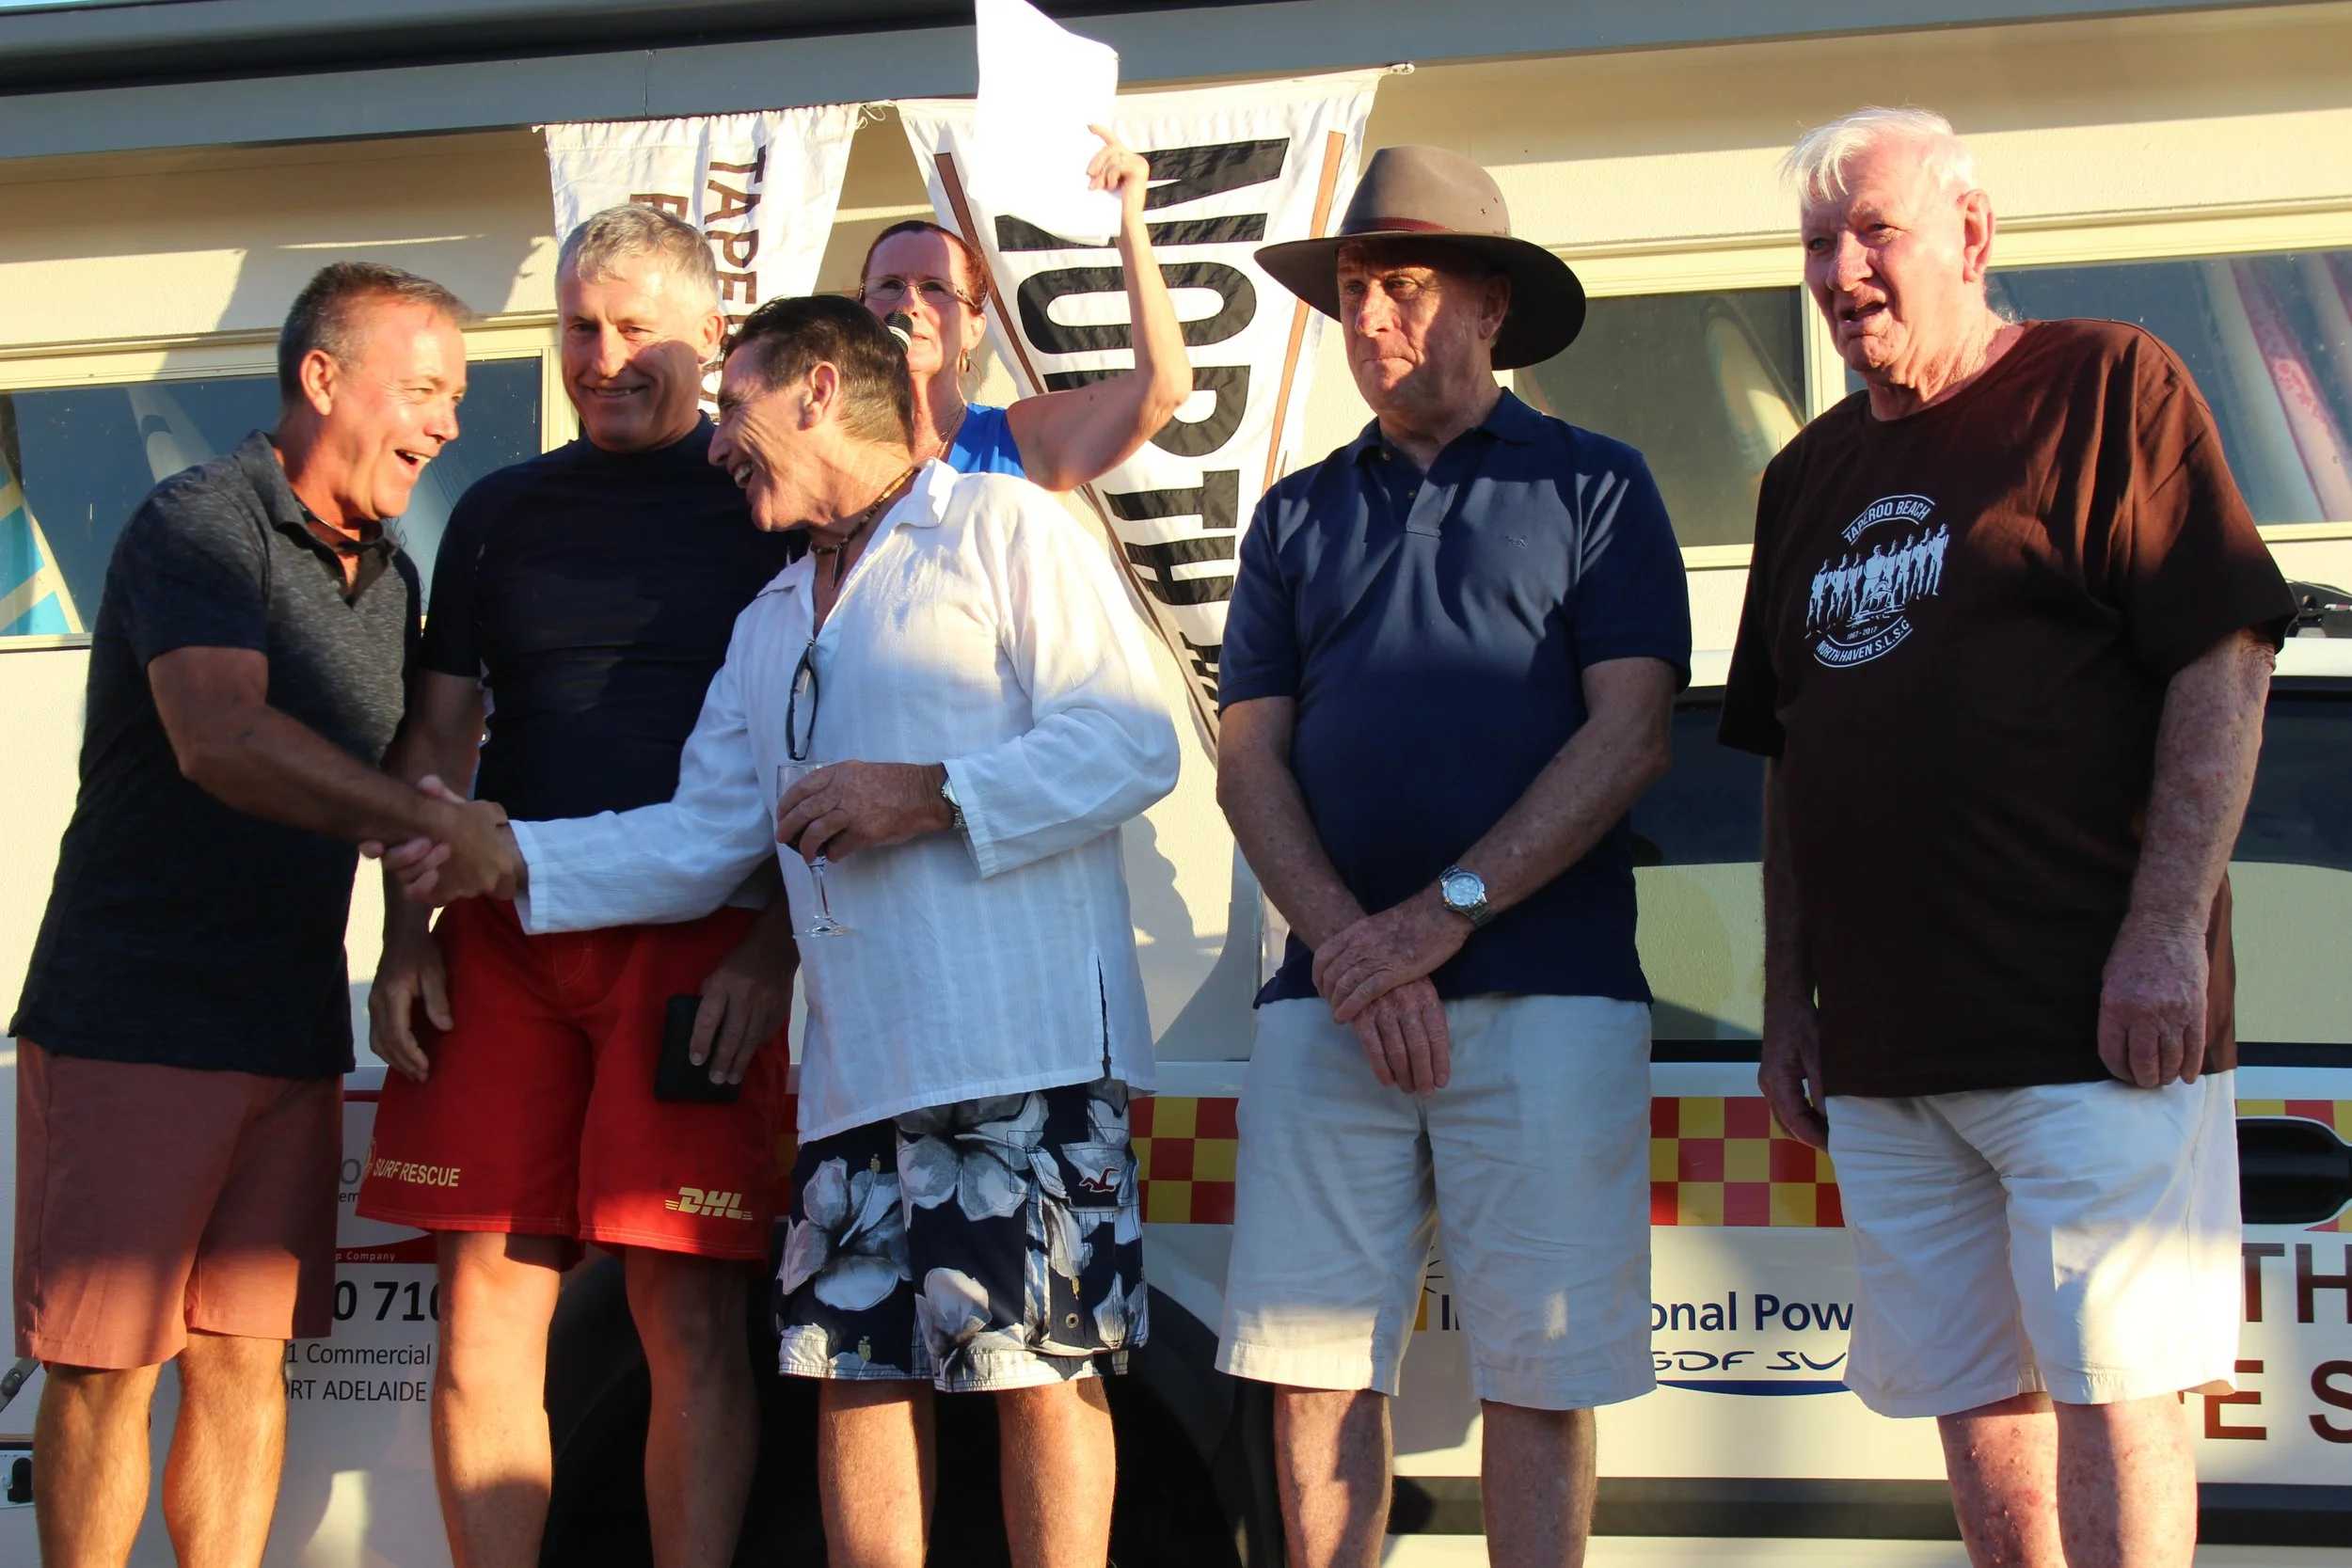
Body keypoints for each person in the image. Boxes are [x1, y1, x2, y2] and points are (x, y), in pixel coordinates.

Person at [386, 294, 1180, 1568]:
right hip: (854, 1070)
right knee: (855, 1374)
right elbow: (704, 835)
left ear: (817, 388)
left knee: (1041, 1369)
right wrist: (511, 854)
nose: (715, 446)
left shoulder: (1003, 526)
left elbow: (1132, 743)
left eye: (735, 406)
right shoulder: (768, 618)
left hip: (1016, 1047)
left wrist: (931, 792)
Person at [1719, 106, 2296, 1568]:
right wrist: (1788, 995)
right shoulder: (1804, 478)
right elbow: (1789, 755)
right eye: (1818, 244)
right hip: (1890, 1050)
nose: (1841, 271)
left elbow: (2224, 657)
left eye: (1876, 232)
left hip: (2091, 1026)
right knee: (1978, 1410)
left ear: (1971, 235)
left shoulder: (2108, 384)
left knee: (2116, 1391)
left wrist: (2163, 933)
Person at [1214, 146, 1692, 1568]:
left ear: (1491, 304)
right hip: (1329, 1006)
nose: (1369, 317)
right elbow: (1247, 761)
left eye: (1406, 286)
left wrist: (1439, 916)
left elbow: (1633, 734)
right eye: (1354, 288)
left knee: (1540, 1369)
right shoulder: (1295, 510)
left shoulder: (1600, 483)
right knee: (1311, 1368)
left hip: (1548, 992)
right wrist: (1357, 955)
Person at [8, 261, 495, 1568]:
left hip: (286, 1028)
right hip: (133, 1020)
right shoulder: (200, 522)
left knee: (243, 1355)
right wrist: (447, 830)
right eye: (427, 389)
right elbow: (220, 737)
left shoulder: (391, 575)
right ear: (323, 377)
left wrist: (405, 940)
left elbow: (409, 773)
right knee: (105, 1365)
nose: (449, 422)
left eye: (460, 396)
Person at [350, 205, 803, 1568]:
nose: (601, 358)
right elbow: (438, 744)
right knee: (485, 1306)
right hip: (501, 938)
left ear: (711, 333)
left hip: (694, 944)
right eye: (577, 327)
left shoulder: (767, 504)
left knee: (685, 1312)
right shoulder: (498, 509)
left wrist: (774, 947)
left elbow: (823, 738)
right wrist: (405, 935)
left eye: (633, 329)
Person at [856, 129, 1188, 487]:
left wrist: (1127, 223)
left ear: (974, 329)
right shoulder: (824, 441)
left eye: (935, 288)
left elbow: (1163, 387)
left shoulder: (1021, 440)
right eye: (889, 285)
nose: (908, 304)